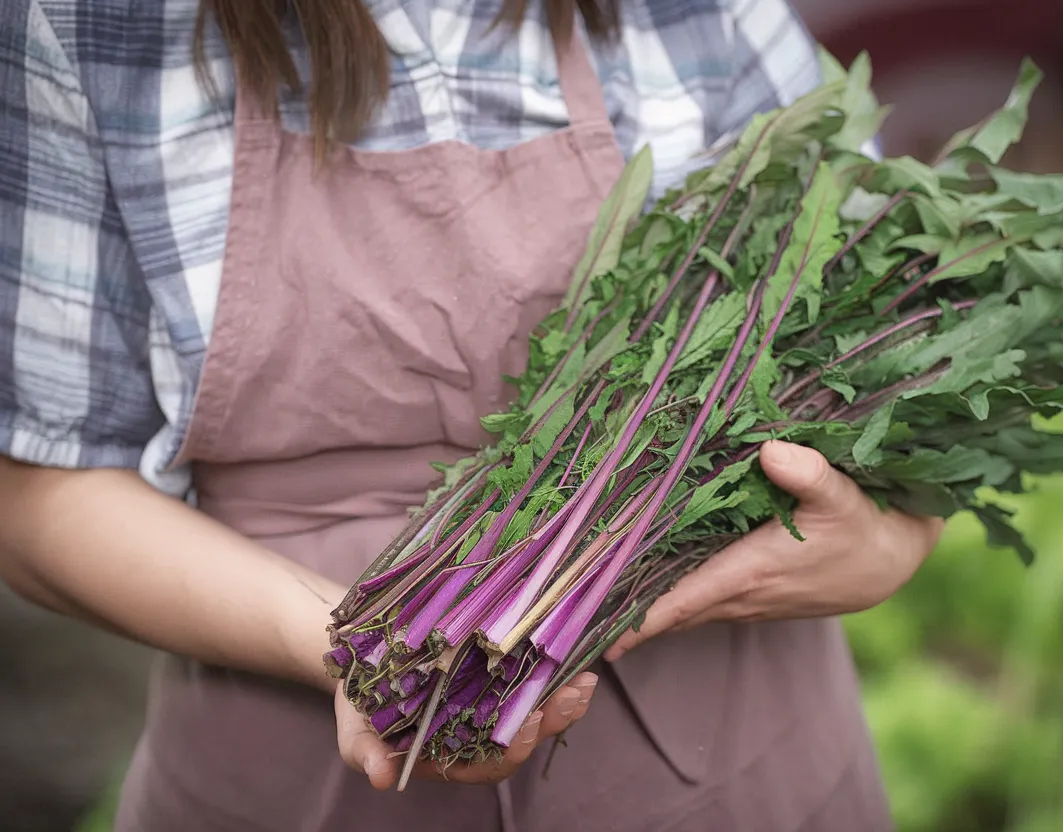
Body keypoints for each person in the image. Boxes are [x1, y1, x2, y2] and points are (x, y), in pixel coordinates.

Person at [0, 1, 942, 829]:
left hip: (743, 781)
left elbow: (895, 310)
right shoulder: (89, 23)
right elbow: (37, 498)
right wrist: (361, 651)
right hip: (280, 786)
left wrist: (896, 539)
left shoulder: (693, 10)